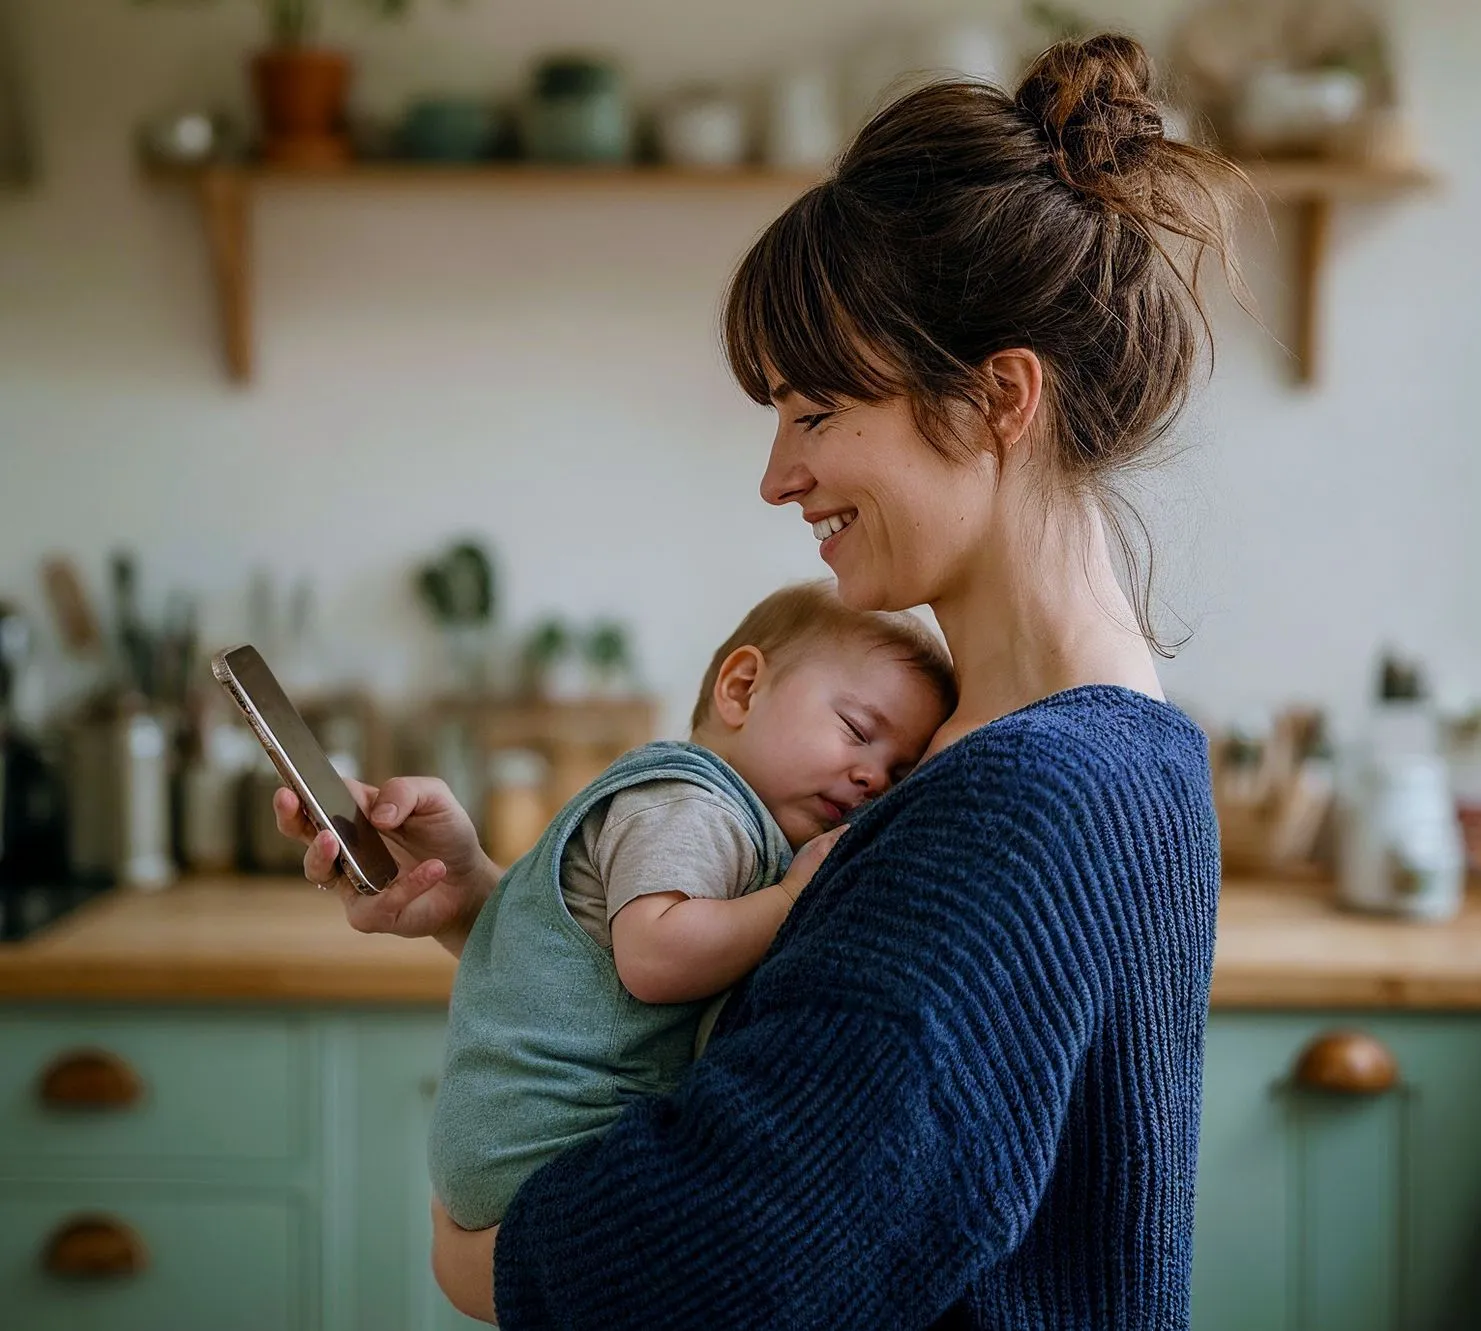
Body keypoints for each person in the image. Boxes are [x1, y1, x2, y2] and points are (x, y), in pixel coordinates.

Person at [277, 33, 1236, 1329]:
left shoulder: (1026, 796)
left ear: (1000, 396)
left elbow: (742, 1257)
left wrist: (476, 1256)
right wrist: (500, 913)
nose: (778, 477)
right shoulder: (1057, 751)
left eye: (818, 414)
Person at [429, 581, 954, 1231]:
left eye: (898, 772)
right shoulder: (693, 805)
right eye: (855, 730)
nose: (872, 777)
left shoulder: (733, 818)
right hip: (542, 1141)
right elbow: (655, 954)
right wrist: (791, 897)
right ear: (740, 689)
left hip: (522, 1142)